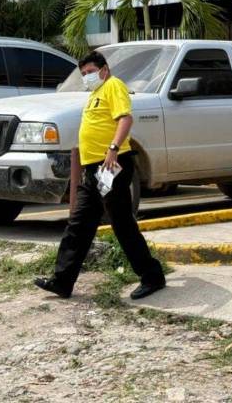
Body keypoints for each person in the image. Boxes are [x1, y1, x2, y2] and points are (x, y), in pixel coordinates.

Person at [35, 51, 166, 300]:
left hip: (111, 166)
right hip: (93, 170)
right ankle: (62, 281)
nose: (87, 77)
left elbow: (125, 118)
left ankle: (152, 276)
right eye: (83, 74)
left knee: (122, 224)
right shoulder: (95, 93)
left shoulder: (113, 86)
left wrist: (113, 148)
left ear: (104, 70)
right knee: (79, 224)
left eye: (90, 72)